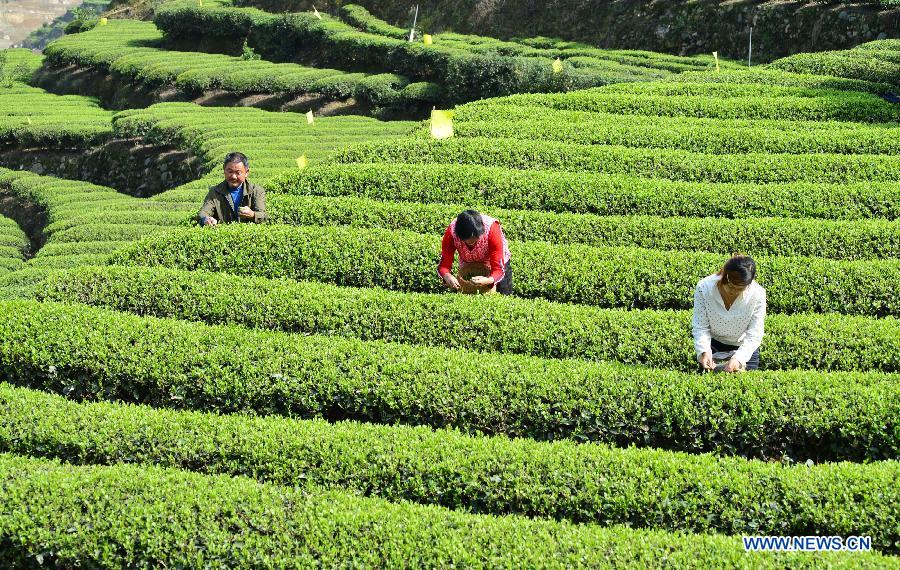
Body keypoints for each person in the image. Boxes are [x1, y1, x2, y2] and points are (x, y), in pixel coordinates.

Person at [692, 254, 766, 372]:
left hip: (744, 347)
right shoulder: (704, 288)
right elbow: (700, 326)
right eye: (731, 286)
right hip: (714, 344)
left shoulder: (758, 294)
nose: (733, 291)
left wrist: (738, 358)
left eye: (740, 288)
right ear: (724, 276)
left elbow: (755, 334)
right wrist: (704, 350)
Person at [438, 210, 512, 295]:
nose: (471, 241)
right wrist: (447, 276)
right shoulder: (451, 232)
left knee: (503, 293)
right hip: (468, 261)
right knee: (468, 292)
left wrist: (488, 280)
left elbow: (498, 268)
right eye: (467, 239)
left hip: (495, 262)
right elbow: (444, 264)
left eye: (475, 237)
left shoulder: (492, 228)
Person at [198, 152, 267, 226]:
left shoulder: (256, 191)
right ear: (224, 170)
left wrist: (252, 214)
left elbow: (264, 216)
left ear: (246, 173)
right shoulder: (215, 192)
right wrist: (206, 219)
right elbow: (203, 212)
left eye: (238, 173)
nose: (233, 176)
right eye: (230, 171)